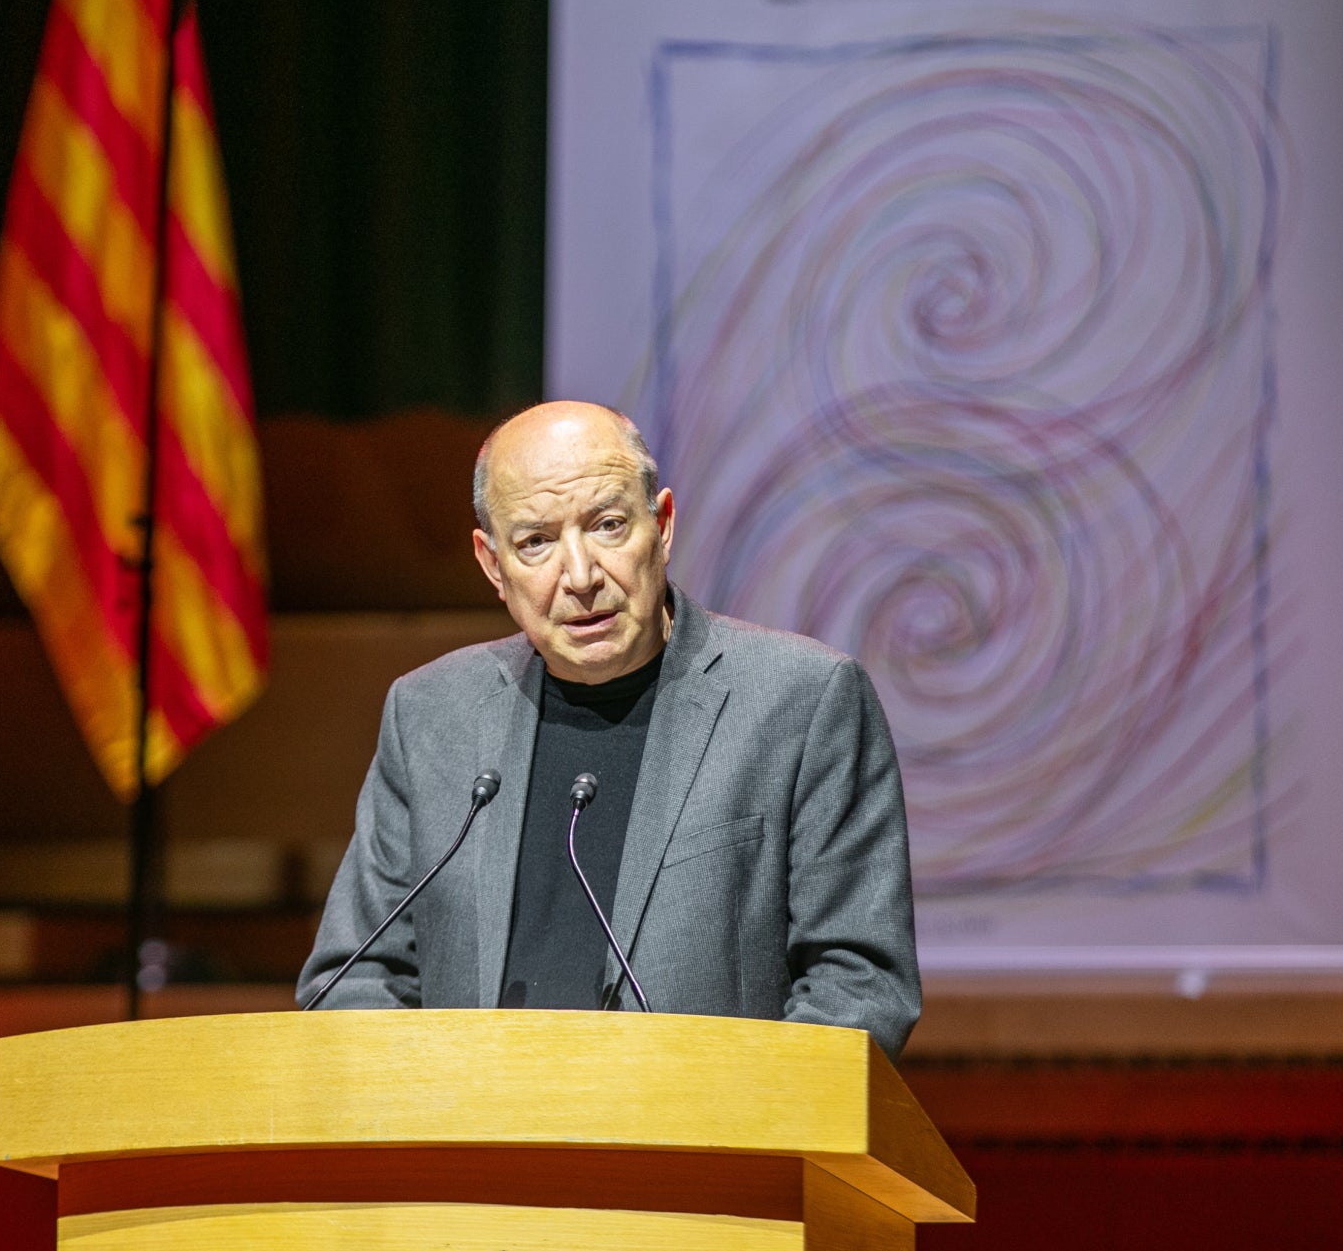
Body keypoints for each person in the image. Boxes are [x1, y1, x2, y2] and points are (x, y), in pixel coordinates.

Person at [297, 399, 921, 1058]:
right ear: (493, 565)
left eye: (607, 525)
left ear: (663, 525)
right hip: (476, 1122)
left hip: (706, 1122)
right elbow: (352, 978)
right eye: (536, 542)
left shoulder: (802, 700)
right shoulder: (431, 715)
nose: (581, 576)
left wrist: (740, 1112)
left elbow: (860, 985)